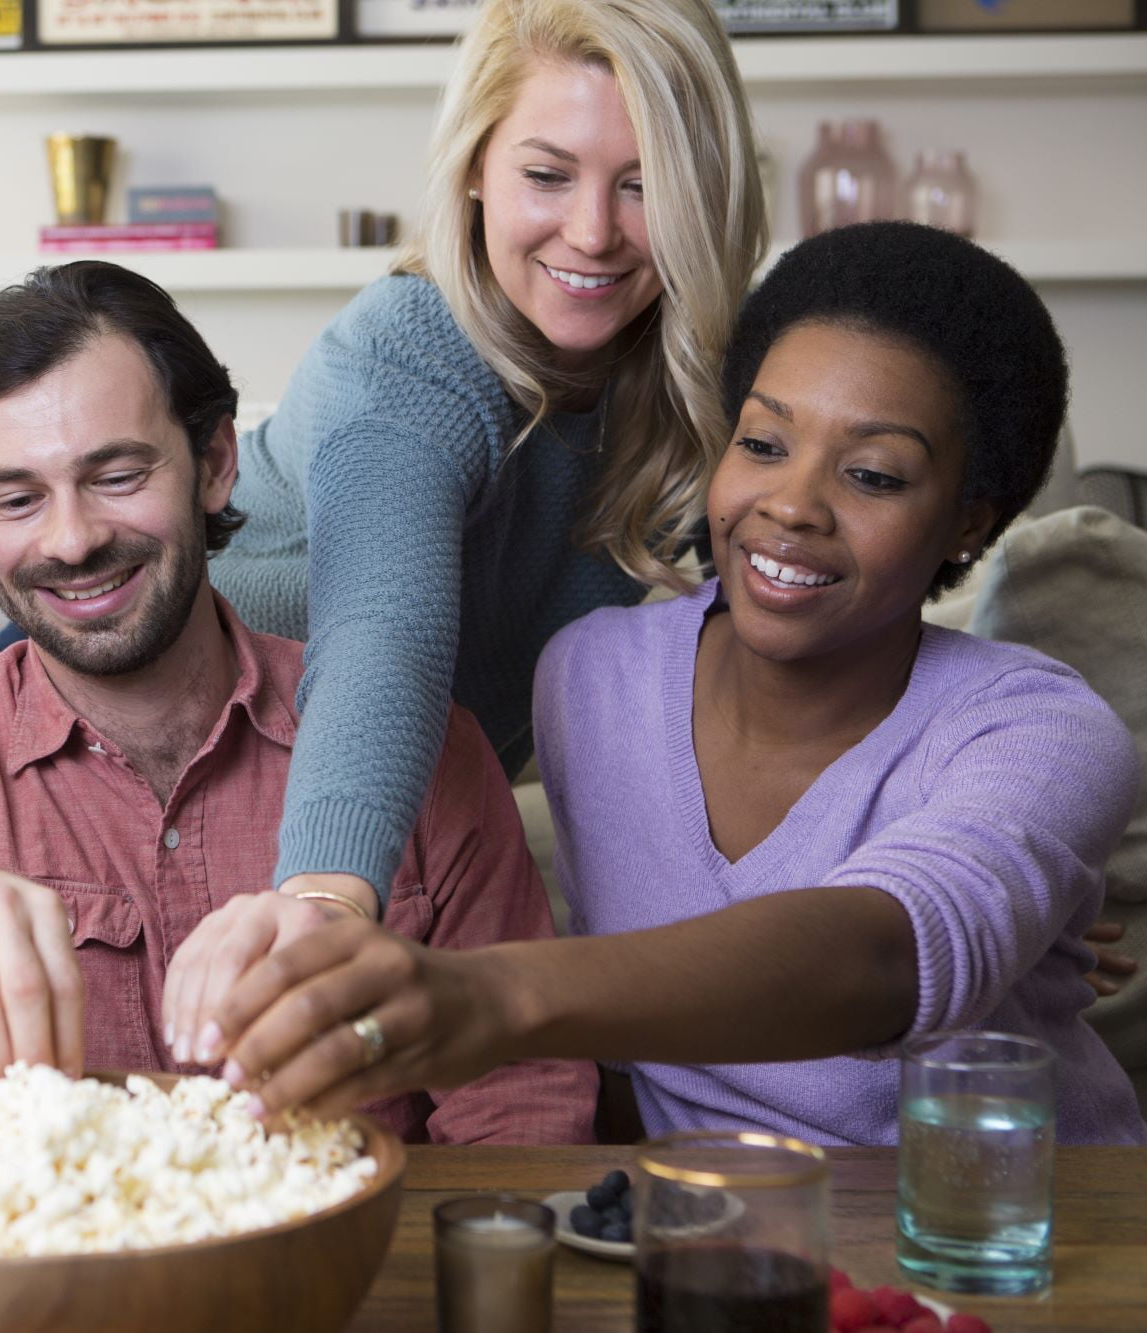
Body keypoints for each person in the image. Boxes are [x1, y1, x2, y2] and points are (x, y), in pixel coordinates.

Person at [198, 222, 1147, 1147]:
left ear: (969, 524)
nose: (790, 505)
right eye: (764, 445)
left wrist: (492, 995)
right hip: (712, 1252)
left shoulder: (1044, 729)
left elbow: (884, 955)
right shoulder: (590, 677)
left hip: (1017, 1244)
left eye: (871, 475)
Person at [0, 261, 594, 1144]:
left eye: (116, 475)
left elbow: (526, 1107)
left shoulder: (412, 748)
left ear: (216, 464)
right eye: (18, 499)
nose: (72, 540)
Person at [178, 0, 768, 995]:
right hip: (121, 761)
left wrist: (945, 867)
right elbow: (384, 633)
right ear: (473, 176)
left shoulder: (701, 385)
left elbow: (792, 664)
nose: (591, 233)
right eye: (545, 174)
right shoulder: (407, 350)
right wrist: (325, 901)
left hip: (375, 833)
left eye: (643, 185)